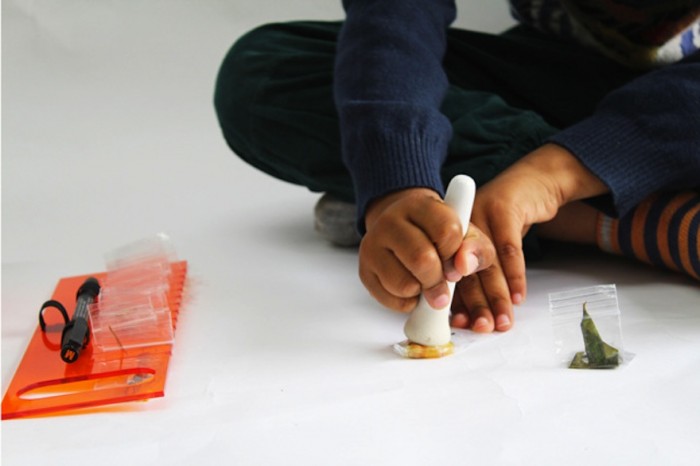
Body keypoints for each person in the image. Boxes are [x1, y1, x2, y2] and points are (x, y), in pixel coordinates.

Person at [215, 0, 700, 333]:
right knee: (262, 74)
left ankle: (565, 209)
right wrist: (397, 180)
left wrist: (553, 176)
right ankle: (611, 214)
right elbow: (396, 17)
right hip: (556, 75)